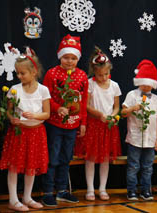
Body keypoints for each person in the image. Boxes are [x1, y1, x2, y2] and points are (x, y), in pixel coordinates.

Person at [0, 48, 50, 211]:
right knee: (14, 166)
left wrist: (35, 115)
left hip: (36, 133)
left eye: (22, 73)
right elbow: (9, 111)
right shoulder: (15, 90)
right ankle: (13, 200)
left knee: (31, 165)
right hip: (18, 133)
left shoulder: (43, 90)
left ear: (33, 72)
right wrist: (11, 118)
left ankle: (27, 197)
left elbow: (47, 114)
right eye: (17, 73)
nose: (19, 76)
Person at [41, 34, 88, 206]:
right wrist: (57, 108)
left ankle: (62, 190)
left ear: (77, 59)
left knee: (66, 158)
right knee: (52, 158)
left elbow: (83, 102)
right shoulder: (52, 74)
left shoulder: (82, 76)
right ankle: (47, 191)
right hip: (55, 124)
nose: (69, 61)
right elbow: (45, 98)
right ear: (61, 56)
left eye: (73, 58)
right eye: (66, 57)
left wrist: (83, 122)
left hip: (73, 125)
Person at [74, 47, 121, 201]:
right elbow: (85, 105)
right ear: (94, 71)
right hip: (94, 125)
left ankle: (102, 188)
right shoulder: (90, 84)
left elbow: (116, 106)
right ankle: (89, 189)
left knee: (105, 158)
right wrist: (99, 114)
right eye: (100, 75)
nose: (103, 77)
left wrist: (112, 116)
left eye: (106, 74)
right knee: (91, 158)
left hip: (108, 126)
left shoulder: (114, 85)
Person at [121, 60, 157, 201]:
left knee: (148, 167)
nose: (146, 85)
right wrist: (133, 108)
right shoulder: (132, 95)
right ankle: (131, 191)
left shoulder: (156, 99)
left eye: (149, 82)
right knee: (133, 166)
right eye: (143, 82)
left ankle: (146, 191)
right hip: (135, 138)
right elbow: (123, 113)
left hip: (150, 140)